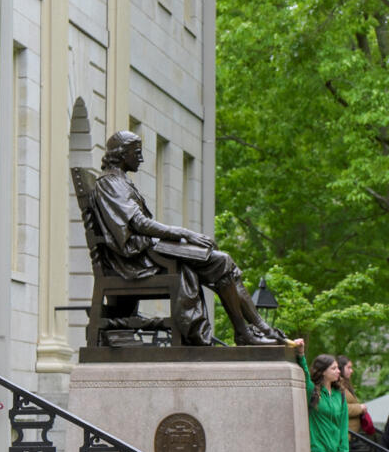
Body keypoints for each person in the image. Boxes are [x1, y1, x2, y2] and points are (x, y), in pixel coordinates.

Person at [91, 131, 283, 345]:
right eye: (137, 153)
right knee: (221, 261)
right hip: (135, 260)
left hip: (147, 252)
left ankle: (259, 329)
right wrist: (185, 233)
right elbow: (140, 224)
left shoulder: (120, 181)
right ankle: (248, 332)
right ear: (122, 153)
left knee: (224, 263)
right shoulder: (111, 183)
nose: (141, 158)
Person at [338, 355, 369, 452]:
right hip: (344, 435)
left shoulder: (346, 385)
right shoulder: (338, 386)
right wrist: (360, 408)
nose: (351, 370)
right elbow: (341, 408)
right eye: (348, 367)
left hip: (351, 436)